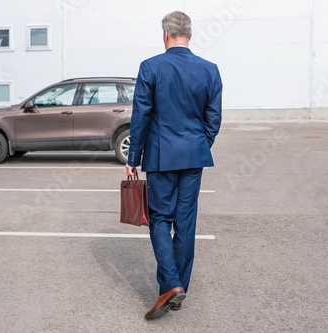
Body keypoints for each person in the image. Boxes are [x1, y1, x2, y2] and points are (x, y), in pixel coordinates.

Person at [124, 10, 223, 320]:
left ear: (165, 34)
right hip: (193, 156)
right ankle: (178, 290)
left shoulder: (151, 67)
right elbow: (213, 118)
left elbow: (140, 116)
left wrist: (132, 158)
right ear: (189, 36)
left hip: (160, 156)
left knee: (158, 219)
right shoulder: (210, 70)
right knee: (185, 223)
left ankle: (170, 285)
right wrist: (198, 145)